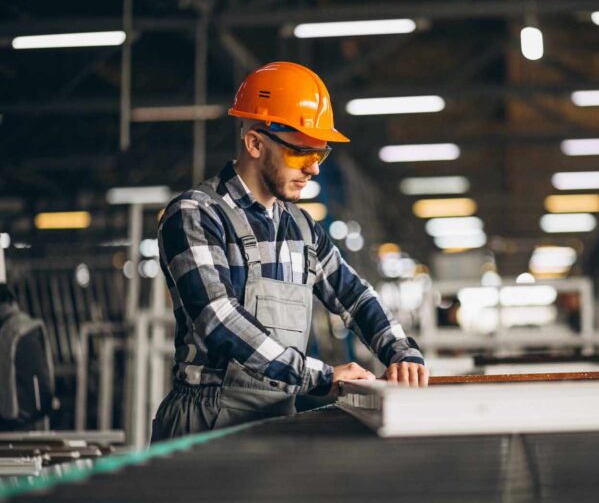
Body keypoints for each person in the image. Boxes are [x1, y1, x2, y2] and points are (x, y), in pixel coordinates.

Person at [151, 61, 429, 441]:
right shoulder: (196, 214)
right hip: (205, 420)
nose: (313, 169)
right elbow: (218, 320)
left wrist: (401, 352)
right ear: (254, 143)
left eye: (320, 154)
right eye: (301, 154)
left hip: (277, 416)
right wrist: (320, 376)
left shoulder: (301, 228)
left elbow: (354, 295)